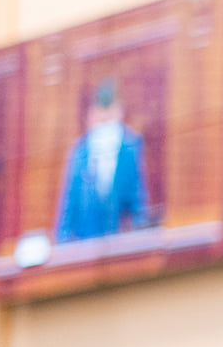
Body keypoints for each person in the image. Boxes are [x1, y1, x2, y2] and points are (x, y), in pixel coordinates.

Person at [53, 78, 151, 242]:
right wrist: (62, 245)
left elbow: (138, 202)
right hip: (85, 244)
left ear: (119, 112)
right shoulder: (79, 153)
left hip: (120, 243)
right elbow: (68, 207)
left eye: (109, 117)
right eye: (101, 119)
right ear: (91, 116)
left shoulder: (130, 147)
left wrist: (140, 240)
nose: (105, 125)